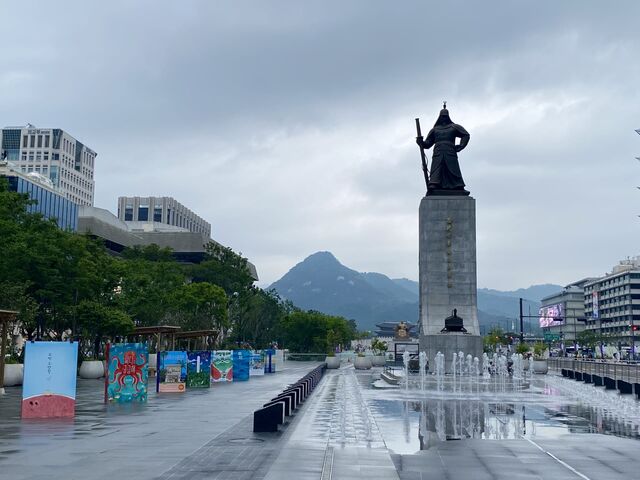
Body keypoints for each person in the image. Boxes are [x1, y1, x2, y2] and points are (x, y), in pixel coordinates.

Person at [416, 104, 471, 194]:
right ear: (439, 117)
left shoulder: (454, 127)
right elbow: (427, 144)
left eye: (445, 116)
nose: (444, 118)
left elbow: (466, 135)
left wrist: (461, 146)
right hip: (438, 151)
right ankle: (434, 184)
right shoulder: (435, 130)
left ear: (448, 117)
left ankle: (458, 185)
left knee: (453, 168)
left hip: (450, 150)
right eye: (442, 116)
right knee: (437, 168)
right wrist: (420, 142)